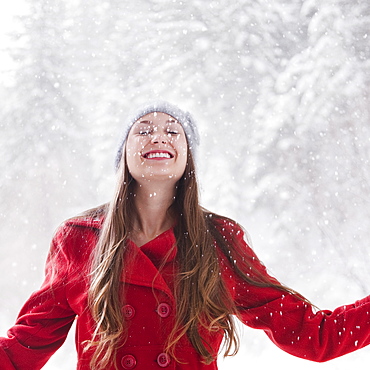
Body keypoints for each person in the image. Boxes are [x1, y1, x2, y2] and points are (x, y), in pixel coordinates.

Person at [1, 101, 370, 370]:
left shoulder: (219, 241)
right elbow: (21, 351)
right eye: (143, 129)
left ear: (187, 158)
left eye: (172, 130)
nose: (157, 135)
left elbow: (315, 337)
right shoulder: (77, 239)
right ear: (124, 156)